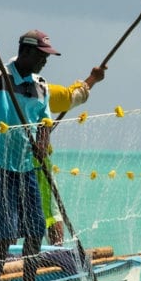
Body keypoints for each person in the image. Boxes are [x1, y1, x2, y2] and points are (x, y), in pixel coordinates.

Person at [0, 27, 56, 281]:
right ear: (26, 51)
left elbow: (45, 121)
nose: (45, 61)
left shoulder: (41, 85)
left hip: (26, 165)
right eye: (41, 55)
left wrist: (42, 142)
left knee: (35, 229)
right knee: (5, 233)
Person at [41, 65, 107, 245]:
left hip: (9, 161)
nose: (43, 62)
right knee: (48, 211)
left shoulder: (0, 89)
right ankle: (54, 251)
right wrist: (93, 78)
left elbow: (71, 97)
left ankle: (54, 253)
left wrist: (92, 78)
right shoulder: (36, 88)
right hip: (31, 161)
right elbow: (72, 97)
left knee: (45, 211)